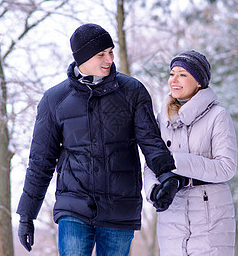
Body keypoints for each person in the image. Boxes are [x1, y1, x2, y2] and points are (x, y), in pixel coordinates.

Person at [16, 23, 176, 255]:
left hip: (120, 206)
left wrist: (167, 175)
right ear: (82, 57)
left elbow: (150, 141)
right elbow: (40, 161)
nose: (109, 59)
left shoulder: (132, 92)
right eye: (101, 54)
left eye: (110, 52)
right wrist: (27, 214)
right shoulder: (55, 100)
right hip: (75, 206)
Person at [144, 50, 238, 256]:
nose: (174, 80)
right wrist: (153, 191)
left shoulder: (218, 116)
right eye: (171, 74)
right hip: (172, 216)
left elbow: (226, 167)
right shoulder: (163, 117)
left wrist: (175, 163)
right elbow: (152, 163)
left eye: (182, 74)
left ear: (199, 82)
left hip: (210, 216)